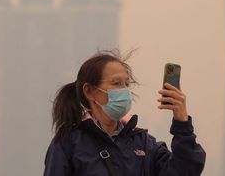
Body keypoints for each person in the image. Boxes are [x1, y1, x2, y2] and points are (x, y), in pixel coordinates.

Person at [43, 50, 206, 175]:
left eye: (126, 84)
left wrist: (182, 122)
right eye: (116, 83)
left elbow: (186, 170)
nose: (124, 91)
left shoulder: (143, 143)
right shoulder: (69, 143)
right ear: (90, 91)